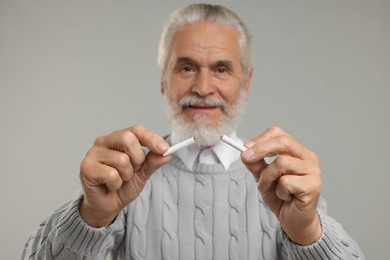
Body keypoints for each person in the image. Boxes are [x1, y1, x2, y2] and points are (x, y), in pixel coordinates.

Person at [22, 3, 364, 259]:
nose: (202, 87)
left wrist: (306, 232)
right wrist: (92, 216)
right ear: (163, 81)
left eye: (221, 69)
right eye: (186, 67)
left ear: (245, 84)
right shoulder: (123, 181)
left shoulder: (281, 184)